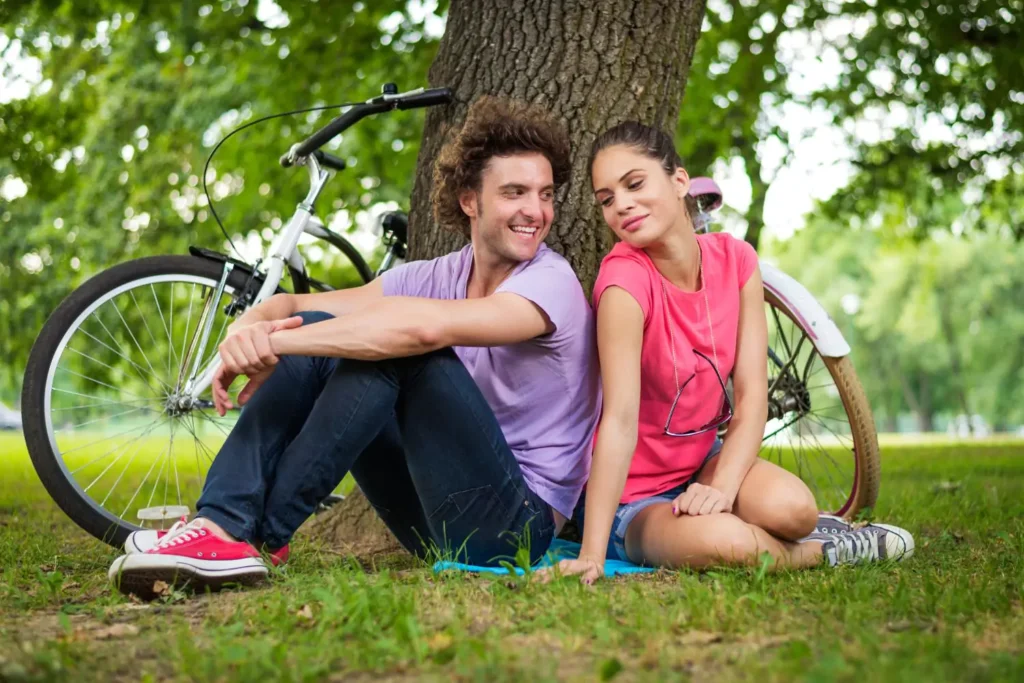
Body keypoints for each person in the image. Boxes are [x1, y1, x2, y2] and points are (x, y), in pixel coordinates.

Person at [108, 97, 601, 597]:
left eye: (545, 194)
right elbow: (295, 302)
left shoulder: (552, 282)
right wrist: (247, 330)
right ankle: (223, 525)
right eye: (514, 192)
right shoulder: (435, 275)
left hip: (516, 529)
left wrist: (283, 344)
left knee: (396, 348)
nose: (535, 212)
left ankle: (244, 535)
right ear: (469, 200)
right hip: (432, 518)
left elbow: (422, 332)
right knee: (337, 332)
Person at [550, 122, 913, 584]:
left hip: (706, 462)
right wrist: (592, 554)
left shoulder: (737, 261)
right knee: (733, 543)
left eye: (634, 184)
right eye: (606, 199)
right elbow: (618, 422)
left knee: (796, 510)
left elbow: (751, 398)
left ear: (679, 181)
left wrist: (721, 487)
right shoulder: (623, 283)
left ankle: (805, 531)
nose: (621, 204)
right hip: (635, 498)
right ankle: (830, 549)